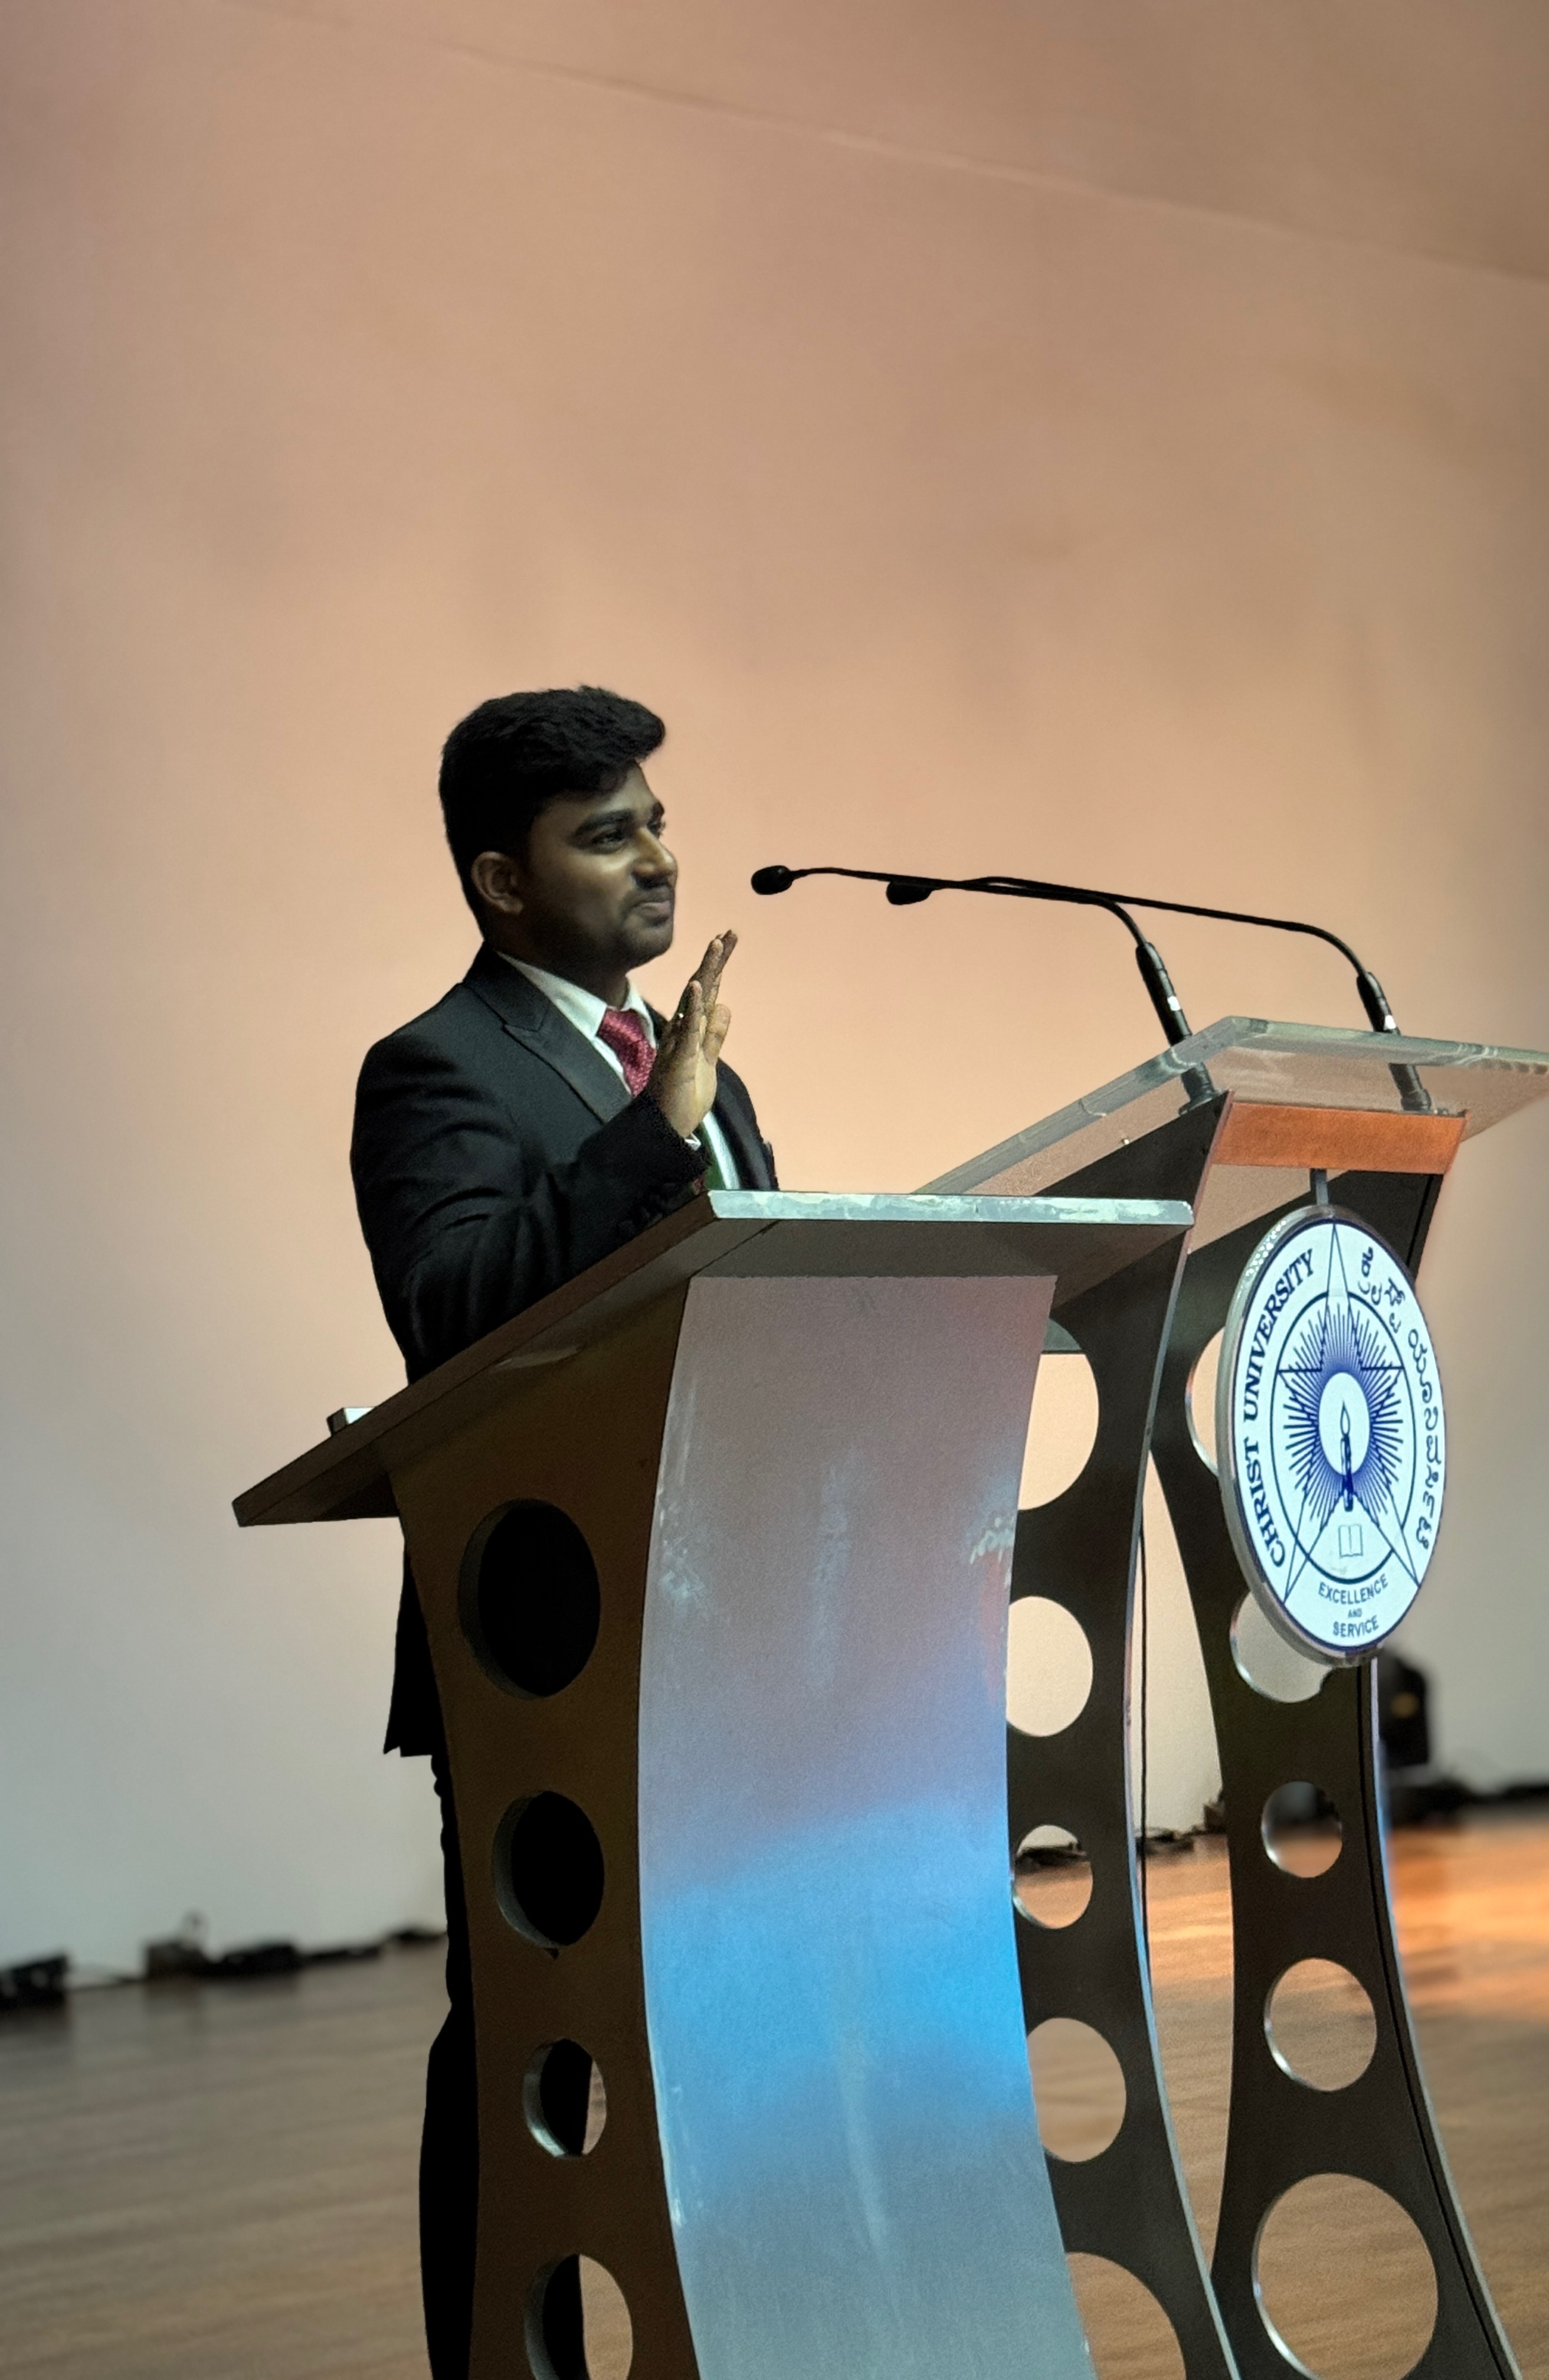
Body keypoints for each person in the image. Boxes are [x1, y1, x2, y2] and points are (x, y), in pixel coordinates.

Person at [349, 684, 776, 2379]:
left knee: (715, 2028)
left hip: (723, 1614)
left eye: (657, 819)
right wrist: (658, 1133)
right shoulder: (436, 1071)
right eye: (606, 835)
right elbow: (455, 1311)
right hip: (546, 1637)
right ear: (502, 882)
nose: (657, 857)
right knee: (541, 2041)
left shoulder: (683, 1063)